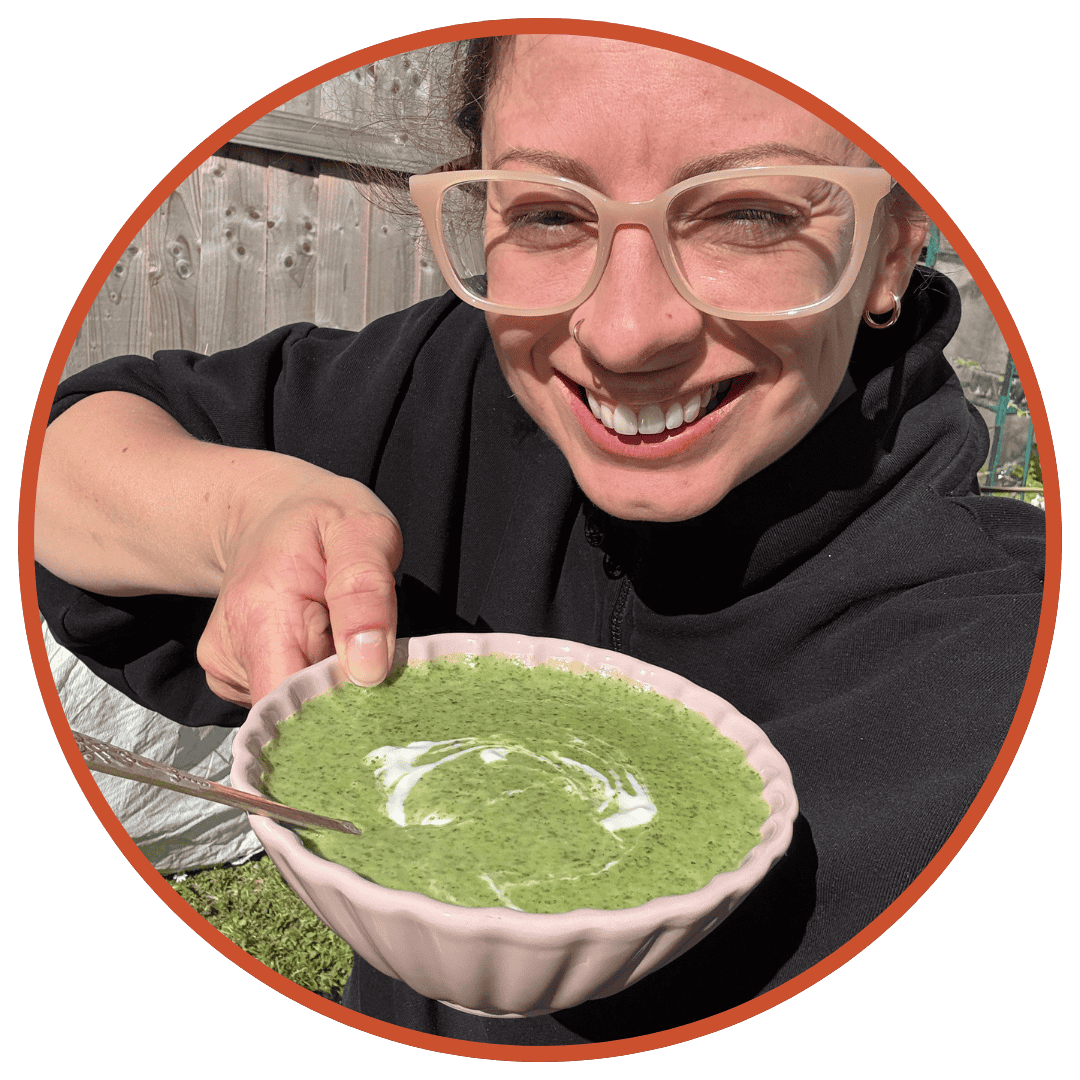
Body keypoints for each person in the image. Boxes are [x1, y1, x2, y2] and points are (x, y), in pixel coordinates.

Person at [34, 34, 1045, 1044]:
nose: (620, 332)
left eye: (751, 214)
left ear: (894, 249)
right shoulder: (447, 383)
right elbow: (65, 461)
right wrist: (243, 517)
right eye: (553, 215)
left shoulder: (1002, 680)